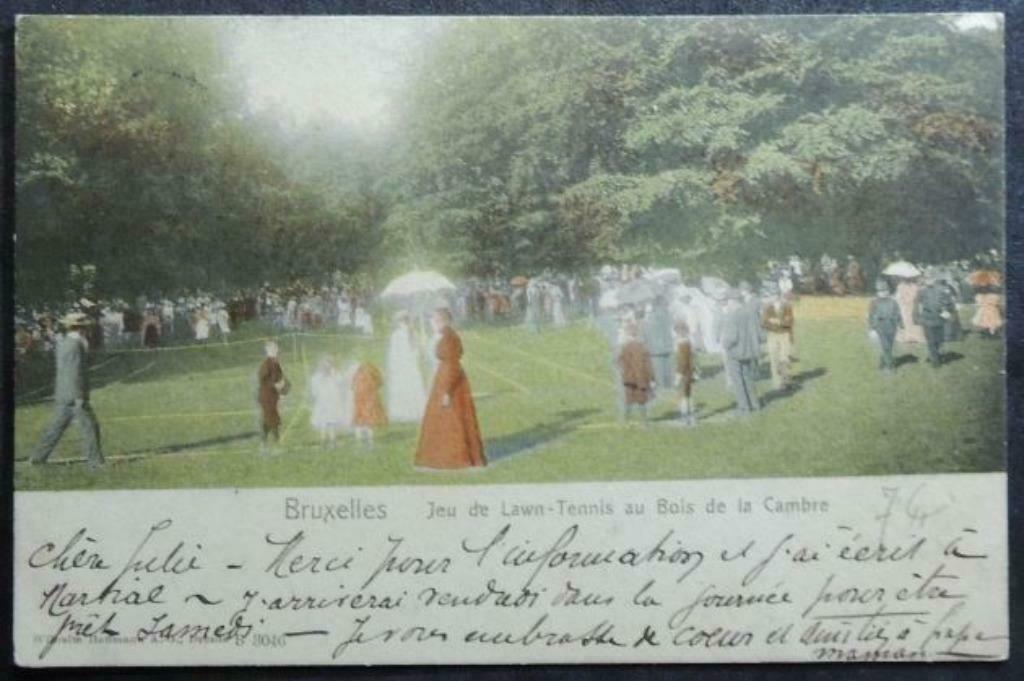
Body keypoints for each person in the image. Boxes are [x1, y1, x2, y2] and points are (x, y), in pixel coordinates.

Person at [30, 313, 105, 469]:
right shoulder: (76, 344)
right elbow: (74, 371)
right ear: (81, 328)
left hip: (63, 393)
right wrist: (79, 396)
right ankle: (96, 463)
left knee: (56, 428)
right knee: (90, 427)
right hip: (74, 395)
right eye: (85, 326)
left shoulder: (64, 342)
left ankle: (37, 458)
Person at [415, 308, 486, 470]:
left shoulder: (448, 338)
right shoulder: (443, 336)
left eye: (433, 320)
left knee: (450, 418)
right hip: (443, 377)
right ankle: (442, 454)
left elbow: (451, 363)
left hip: (448, 380)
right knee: (442, 418)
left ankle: (453, 457)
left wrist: (447, 390)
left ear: (441, 320)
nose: (431, 323)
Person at [720, 289, 762, 415]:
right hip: (750, 351)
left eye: (728, 300)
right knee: (748, 378)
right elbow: (759, 333)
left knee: (737, 380)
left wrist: (724, 345)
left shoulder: (732, 315)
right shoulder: (750, 313)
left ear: (733, 301)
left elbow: (731, 337)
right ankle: (755, 404)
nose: (727, 303)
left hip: (735, 352)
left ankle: (744, 407)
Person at [387, 312, 427, 423]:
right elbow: (418, 353)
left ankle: (404, 412)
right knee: (413, 386)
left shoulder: (397, 335)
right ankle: (415, 411)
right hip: (411, 364)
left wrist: (392, 367)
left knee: (403, 387)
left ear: (400, 322)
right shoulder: (413, 333)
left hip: (401, 365)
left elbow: (393, 353)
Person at [914, 269, 957, 368]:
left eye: (931, 278)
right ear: (924, 280)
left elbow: (949, 303)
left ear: (935, 279)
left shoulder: (942, 290)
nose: (929, 280)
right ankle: (935, 361)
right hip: (927, 319)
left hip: (939, 319)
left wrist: (947, 312)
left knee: (939, 339)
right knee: (930, 341)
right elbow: (917, 305)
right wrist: (918, 317)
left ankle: (937, 354)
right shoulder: (921, 291)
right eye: (927, 278)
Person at [618, 322, 655, 422]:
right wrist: (651, 378)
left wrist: (624, 372)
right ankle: (644, 420)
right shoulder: (642, 347)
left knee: (629, 400)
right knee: (641, 400)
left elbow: (620, 362)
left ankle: (626, 420)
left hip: (629, 379)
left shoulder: (625, 347)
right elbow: (648, 364)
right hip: (641, 378)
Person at [258, 340, 288, 455]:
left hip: (274, 395)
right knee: (270, 419)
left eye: (276, 348)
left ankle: (274, 444)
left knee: (273, 419)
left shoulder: (276, 363)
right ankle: (266, 445)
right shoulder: (266, 364)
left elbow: (281, 378)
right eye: (273, 349)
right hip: (266, 396)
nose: (276, 350)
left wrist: (284, 390)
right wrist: (274, 385)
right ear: (268, 351)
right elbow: (262, 379)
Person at [761, 286, 794, 390]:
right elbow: (764, 323)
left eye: (776, 295)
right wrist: (774, 324)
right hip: (772, 335)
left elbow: (790, 321)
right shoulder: (767, 307)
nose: (774, 297)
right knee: (774, 359)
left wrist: (779, 322)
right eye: (772, 295)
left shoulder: (787, 306)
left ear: (779, 295)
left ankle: (785, 380)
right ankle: (777, 382)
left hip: (784, 335)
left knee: (784, 359)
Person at [309, 357, 347, 448]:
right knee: (324, 420)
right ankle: (324, 439)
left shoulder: (334, 374)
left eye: (329, 365)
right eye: (325, 365)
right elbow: (314, 390)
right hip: (324, 401)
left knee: (331, 421)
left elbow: (341, 383)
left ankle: (332, 439)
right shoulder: (317, 377)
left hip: (332, 400)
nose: (327, 367)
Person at [868, 279, 903, 372]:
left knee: (889, 347)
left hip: (892, 326)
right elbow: (871, 316)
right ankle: (890, 367)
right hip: (880, 326)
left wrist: (900, 324)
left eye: (885, 290)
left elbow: (898, 313)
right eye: (881, 291)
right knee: (886, 346)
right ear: (877, 292)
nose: (883, 293)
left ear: (888, 291)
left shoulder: (893, 302)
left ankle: (884, 361)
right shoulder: (874, 302)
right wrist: (871, 328)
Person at [352, 361, 387, 448]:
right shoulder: (372, 373)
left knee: (361, 420)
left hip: (361, 399)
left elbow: (352, 385)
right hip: (368, 399)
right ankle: (368, 439)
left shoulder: (358, 374)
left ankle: (361, 439)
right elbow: (380, 383)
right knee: (368, 420)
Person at [644, 295, 675, 390]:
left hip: (658, 348)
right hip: (661, 347)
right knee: (663, 369)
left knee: (663, 369)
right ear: (658, 305)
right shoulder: (662, 316)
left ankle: (666, 386)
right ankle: (666, 386)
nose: (666, 306)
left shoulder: (651, 318)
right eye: (664, 304)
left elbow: (646, 334)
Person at [674, 320, 696, 426]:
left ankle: (685, 415)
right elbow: (692, 359)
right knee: (688, 394)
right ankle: (691, 414)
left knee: (682, 395)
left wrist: (678, 374)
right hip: (689, 372)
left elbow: (681, 362)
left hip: (683, 373)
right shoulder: (689, 343)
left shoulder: (681, 344)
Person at [895, 278, 925, 344]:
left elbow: (916, 295)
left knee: (914, 320)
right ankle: (908, 337)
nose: (907, 279)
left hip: (913, 306)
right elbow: (898, 297)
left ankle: (915, 337)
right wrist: (903, 300)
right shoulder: (900, 286)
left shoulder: (914, 286)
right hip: (904, 307)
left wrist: (910, 299)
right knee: (906, 321)